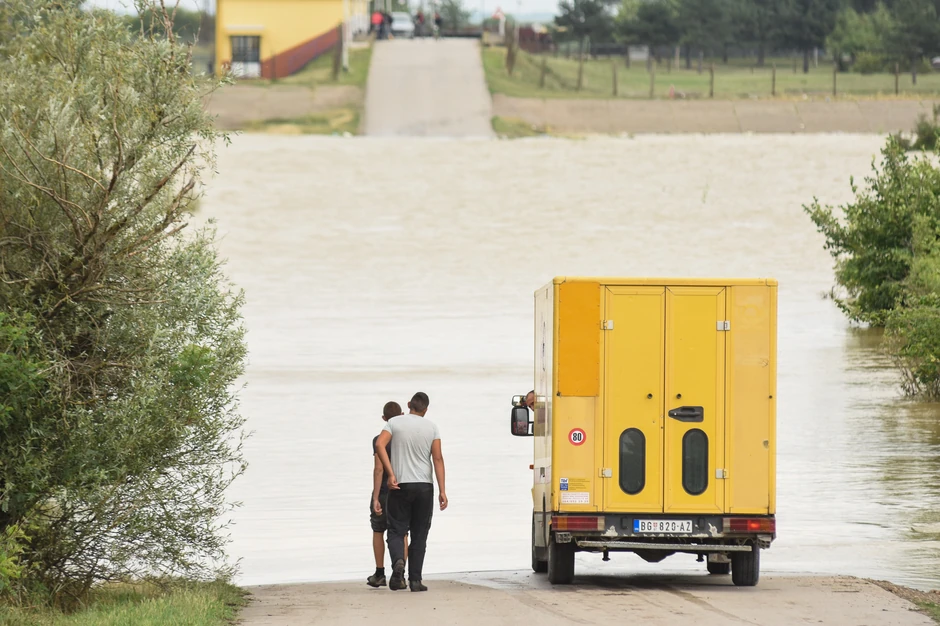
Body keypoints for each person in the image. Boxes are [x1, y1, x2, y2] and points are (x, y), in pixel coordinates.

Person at [375, 392, 447, 592]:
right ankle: (415, 580)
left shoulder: (394, 423)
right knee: (420, 533)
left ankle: (399, 561)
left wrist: (390, 473)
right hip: (424, 486)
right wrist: (442, 490)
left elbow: (379, 444)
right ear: (425, 409)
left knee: (397, 530)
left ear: (408, 405)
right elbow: (438, 458)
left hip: (400, 484)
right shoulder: (432, 427)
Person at [367, 401, 407, 588]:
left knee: (378, 529)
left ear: (384, 419)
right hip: (402, 490)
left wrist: (376, 497)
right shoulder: (407, 439)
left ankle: (380, 573)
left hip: (383, 491)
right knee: (401, 532)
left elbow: (378, 469)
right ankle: (401, 574)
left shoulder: (378, 440)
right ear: (402, 414)